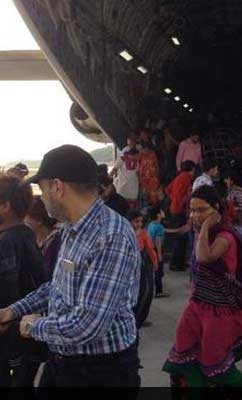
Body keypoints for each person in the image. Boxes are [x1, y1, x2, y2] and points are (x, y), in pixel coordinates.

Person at [0, 145, 141, 387]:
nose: (41, 198)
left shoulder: (111, 236)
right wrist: (14, 310)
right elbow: (57, 287)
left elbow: (87, 324)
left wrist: (32, 326)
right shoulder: (71, 228)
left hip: (100, 373)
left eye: (41, 189)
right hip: (63, 360)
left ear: (57, 186)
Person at [163, 186, 242, 389]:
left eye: (202, 210)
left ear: (216, 209)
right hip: (197, 304)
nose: (195, 215)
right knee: (182, 356)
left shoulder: (225, 236)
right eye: (192, 210)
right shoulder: (204, 233)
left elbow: (204, 257)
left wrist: (204, 227)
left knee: (215, 365)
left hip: (219, 308)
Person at [0, 175, 47, 387]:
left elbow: (8, 292)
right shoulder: (28, 235)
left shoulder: (6, 242)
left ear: (5, 206)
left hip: (9, 344)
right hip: (28, 344)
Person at [127, 210, 156, 329]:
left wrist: (155, 261)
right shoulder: (125, 232)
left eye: (140, 221)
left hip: (141, 266)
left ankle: (139, 318)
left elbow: (150, 249)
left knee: (144, 292)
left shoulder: (143, 233)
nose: (139, 224)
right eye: (136, 221)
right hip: (129, 267)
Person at [166, 160, 195, 271]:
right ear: (191, 169)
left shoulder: (179, 177)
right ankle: (176, 263)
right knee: (181, 237)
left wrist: (173, 199)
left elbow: (167, 189)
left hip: (175, 209)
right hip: (180, 210)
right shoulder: (187, 178)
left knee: (180, 237)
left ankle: (179, 262)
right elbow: (186, 196)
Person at [25, 196, 62, 280]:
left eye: (26, 217)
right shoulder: (33, 240)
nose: (24, 221)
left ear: (39, 221)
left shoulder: (57, 243)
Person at [111, 135, 140, 208]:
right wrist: (109, 178)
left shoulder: (138, 161)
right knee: (121, 202)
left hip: (133, 185)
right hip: (123, 185)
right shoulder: (122, 159)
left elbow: (139, 173)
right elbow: (114, 169)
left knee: (132, 203)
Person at [147, 205, 170, 298]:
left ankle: (153, 290)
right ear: (158, 214)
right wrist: (159, 254)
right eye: (161, 211)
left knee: (154, 270)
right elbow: (158, 242)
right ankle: (159, 291)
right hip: (157, 249)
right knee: (158, 271)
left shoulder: (152, 224)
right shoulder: (159, 226)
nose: (163, 213)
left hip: (150, 249)